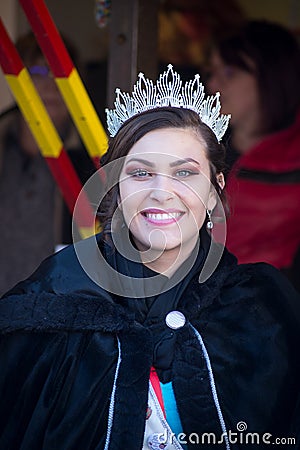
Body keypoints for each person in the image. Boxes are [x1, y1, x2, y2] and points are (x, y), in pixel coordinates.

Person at [0, 65, 299, 450]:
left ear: (214, 190)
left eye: (185, 173)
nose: (162, 192)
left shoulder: (263, 309)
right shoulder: (51, 302)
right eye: (141, 174)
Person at [205, 20, 300, 291]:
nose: (213, 84)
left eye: (230, 72)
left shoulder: (294, 160)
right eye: (212, 72)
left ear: (271, 76)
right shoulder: (204, 148)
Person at [0, 31, 95, 296]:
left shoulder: (93, 161)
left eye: (61, 75)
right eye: (40, 71)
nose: (51, 85)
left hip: (52, 309)